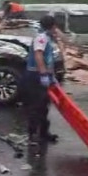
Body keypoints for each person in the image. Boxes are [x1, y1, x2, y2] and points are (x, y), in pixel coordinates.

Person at [23, 14, 61, 144]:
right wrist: (44, 74)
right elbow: (38, 55)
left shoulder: (47, 38)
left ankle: (44, 133)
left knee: (44, 106)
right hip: (36, 75)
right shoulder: (41, 38)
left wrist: (52, 77)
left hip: (42, 74)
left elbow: (48, 59)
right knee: (36, 105)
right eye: (55, 26)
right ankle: (32, 134)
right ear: (53, 26)